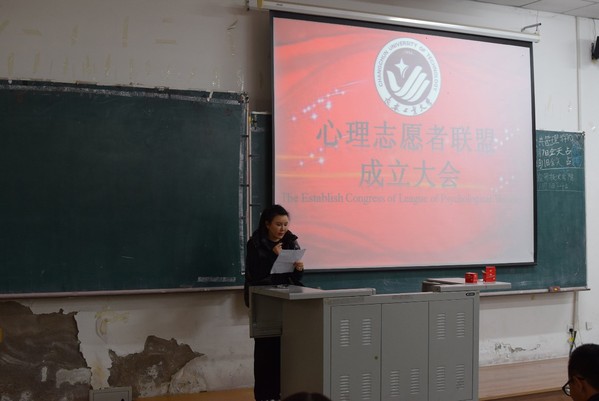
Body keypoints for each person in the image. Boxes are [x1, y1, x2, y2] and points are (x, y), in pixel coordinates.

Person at [244, 204, 305, 401]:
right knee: (265, 351)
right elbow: (256, 275)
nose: (282, 229)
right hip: (264, 302)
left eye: (285, 224)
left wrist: (299, 269)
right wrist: (274, 255)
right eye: (278, 224)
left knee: (285, 351)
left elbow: (295, 279)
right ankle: (264, 396)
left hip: (287, 302)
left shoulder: (291, 242)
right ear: (267, 224)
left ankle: (282, 394)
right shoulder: (255, 244)